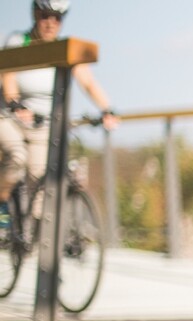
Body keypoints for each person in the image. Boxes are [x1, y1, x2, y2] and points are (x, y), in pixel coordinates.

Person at [0, 0, 118, 238]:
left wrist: (108, 109)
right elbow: (8, 76)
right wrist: (15, 103)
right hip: (10, 117)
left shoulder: (65, 49)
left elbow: (88, 82)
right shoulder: (18, 41)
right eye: (45, 16)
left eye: (57, 17)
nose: (51, 22)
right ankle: (2, 212)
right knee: (17, 159)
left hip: (43, 123)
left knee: (41, 174)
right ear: (35, 14)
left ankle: (31, 234)